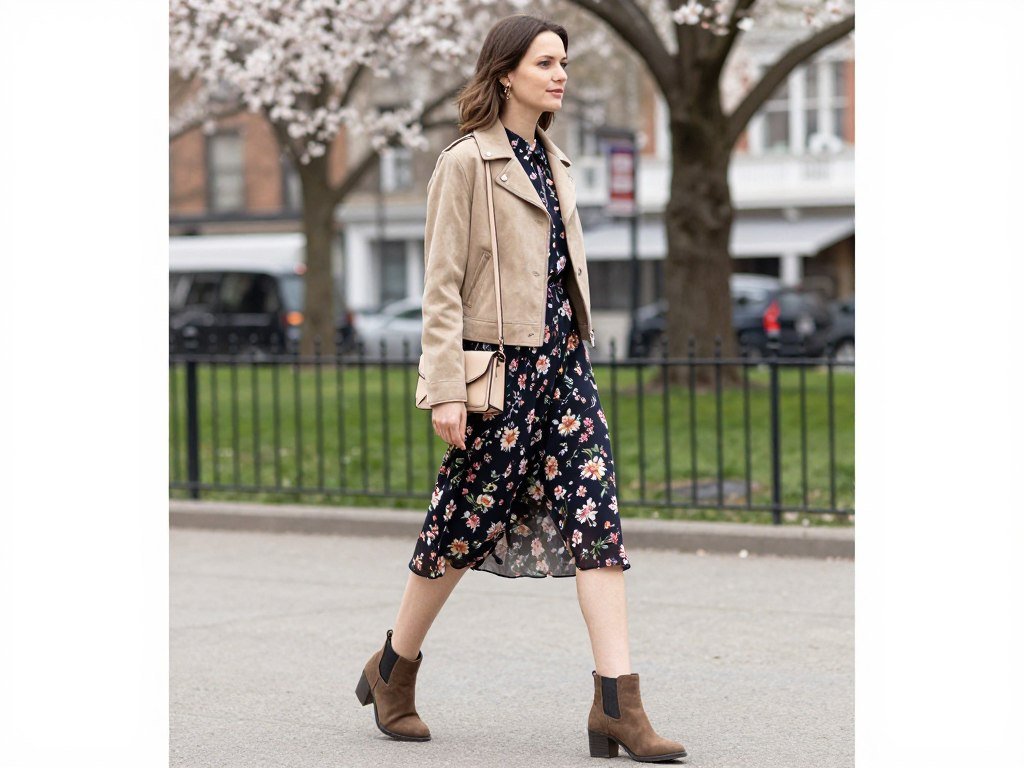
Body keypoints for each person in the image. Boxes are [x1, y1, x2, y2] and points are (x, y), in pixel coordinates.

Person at [355, 14, 688, 762]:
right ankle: (392, 671)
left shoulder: (555, 161)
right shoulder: (466, 163)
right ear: (506, 72)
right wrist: (445, 388)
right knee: (461, 529)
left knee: (598, 527)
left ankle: (618, 704)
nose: (561, 74)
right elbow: (440, 288)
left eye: (564, 61)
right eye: (546, 62)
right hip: (500, 378)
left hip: (565, 373)